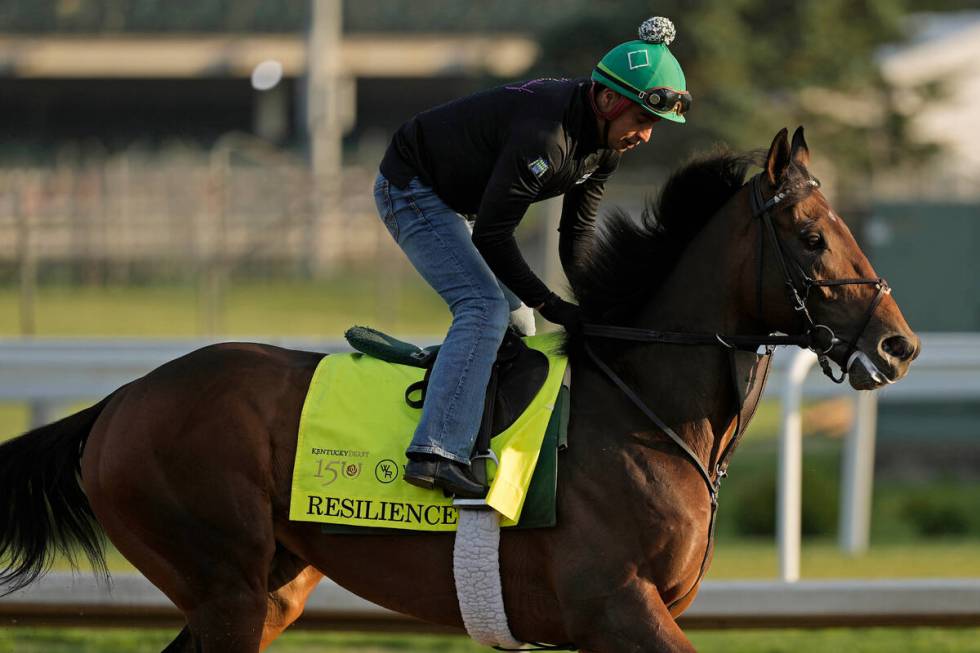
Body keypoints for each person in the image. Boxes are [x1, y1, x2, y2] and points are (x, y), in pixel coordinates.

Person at [373, 17, 691, 498]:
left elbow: (577, 233)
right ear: (609, 101)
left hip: (461, 204)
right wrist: (552, 303)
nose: (646, 136)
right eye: (644, 121)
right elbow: (495, 237)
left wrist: (595, 307)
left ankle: (480, 442)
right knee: (484, 308)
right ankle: (435, 452)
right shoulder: (547, 136)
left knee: (519, 325)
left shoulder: (605, 147)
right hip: (412, 188)